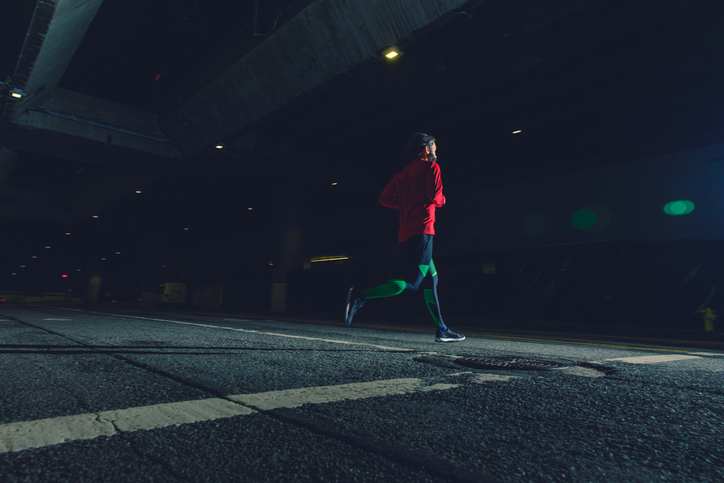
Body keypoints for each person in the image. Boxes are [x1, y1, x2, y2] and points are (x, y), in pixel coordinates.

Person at [344, 133, 465, 342]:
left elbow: (383, 199)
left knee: (432, 279)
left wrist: (404, 206)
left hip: (406, 234)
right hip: (424, 231)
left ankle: (442, 329)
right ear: (426, 149)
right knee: (413, 284)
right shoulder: (431, 168)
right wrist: (442, 200)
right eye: (434, 147)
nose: (436, 151)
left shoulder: (401, 175)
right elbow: (435, 197)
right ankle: (361, 295)